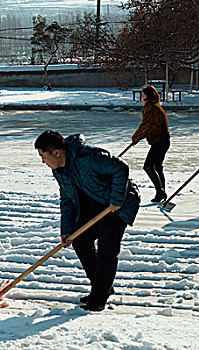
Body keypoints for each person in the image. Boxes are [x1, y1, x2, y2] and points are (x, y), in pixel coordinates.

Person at [35, 130, 140, 311]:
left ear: (57, 152)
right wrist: (67, 229)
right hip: (93, 206)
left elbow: (120, 168)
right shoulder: (59, 170)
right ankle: (102, 286)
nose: (43, 161)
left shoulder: (89, 156)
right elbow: (67, 199)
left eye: (43, 156)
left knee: (107, 250)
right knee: (81, 241)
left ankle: (99, 298)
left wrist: (116, 200)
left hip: (117, 204)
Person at [132, 85, 170, 203]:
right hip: (162, 141)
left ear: (148, 95)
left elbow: (146, 125)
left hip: (159, 141)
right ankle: (161, 193)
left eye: (143, 94)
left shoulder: (151, 108)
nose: (141, 97)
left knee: (148, 166)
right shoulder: (154, 106)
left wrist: (136, 138)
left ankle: (160, 192)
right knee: (157, 167)